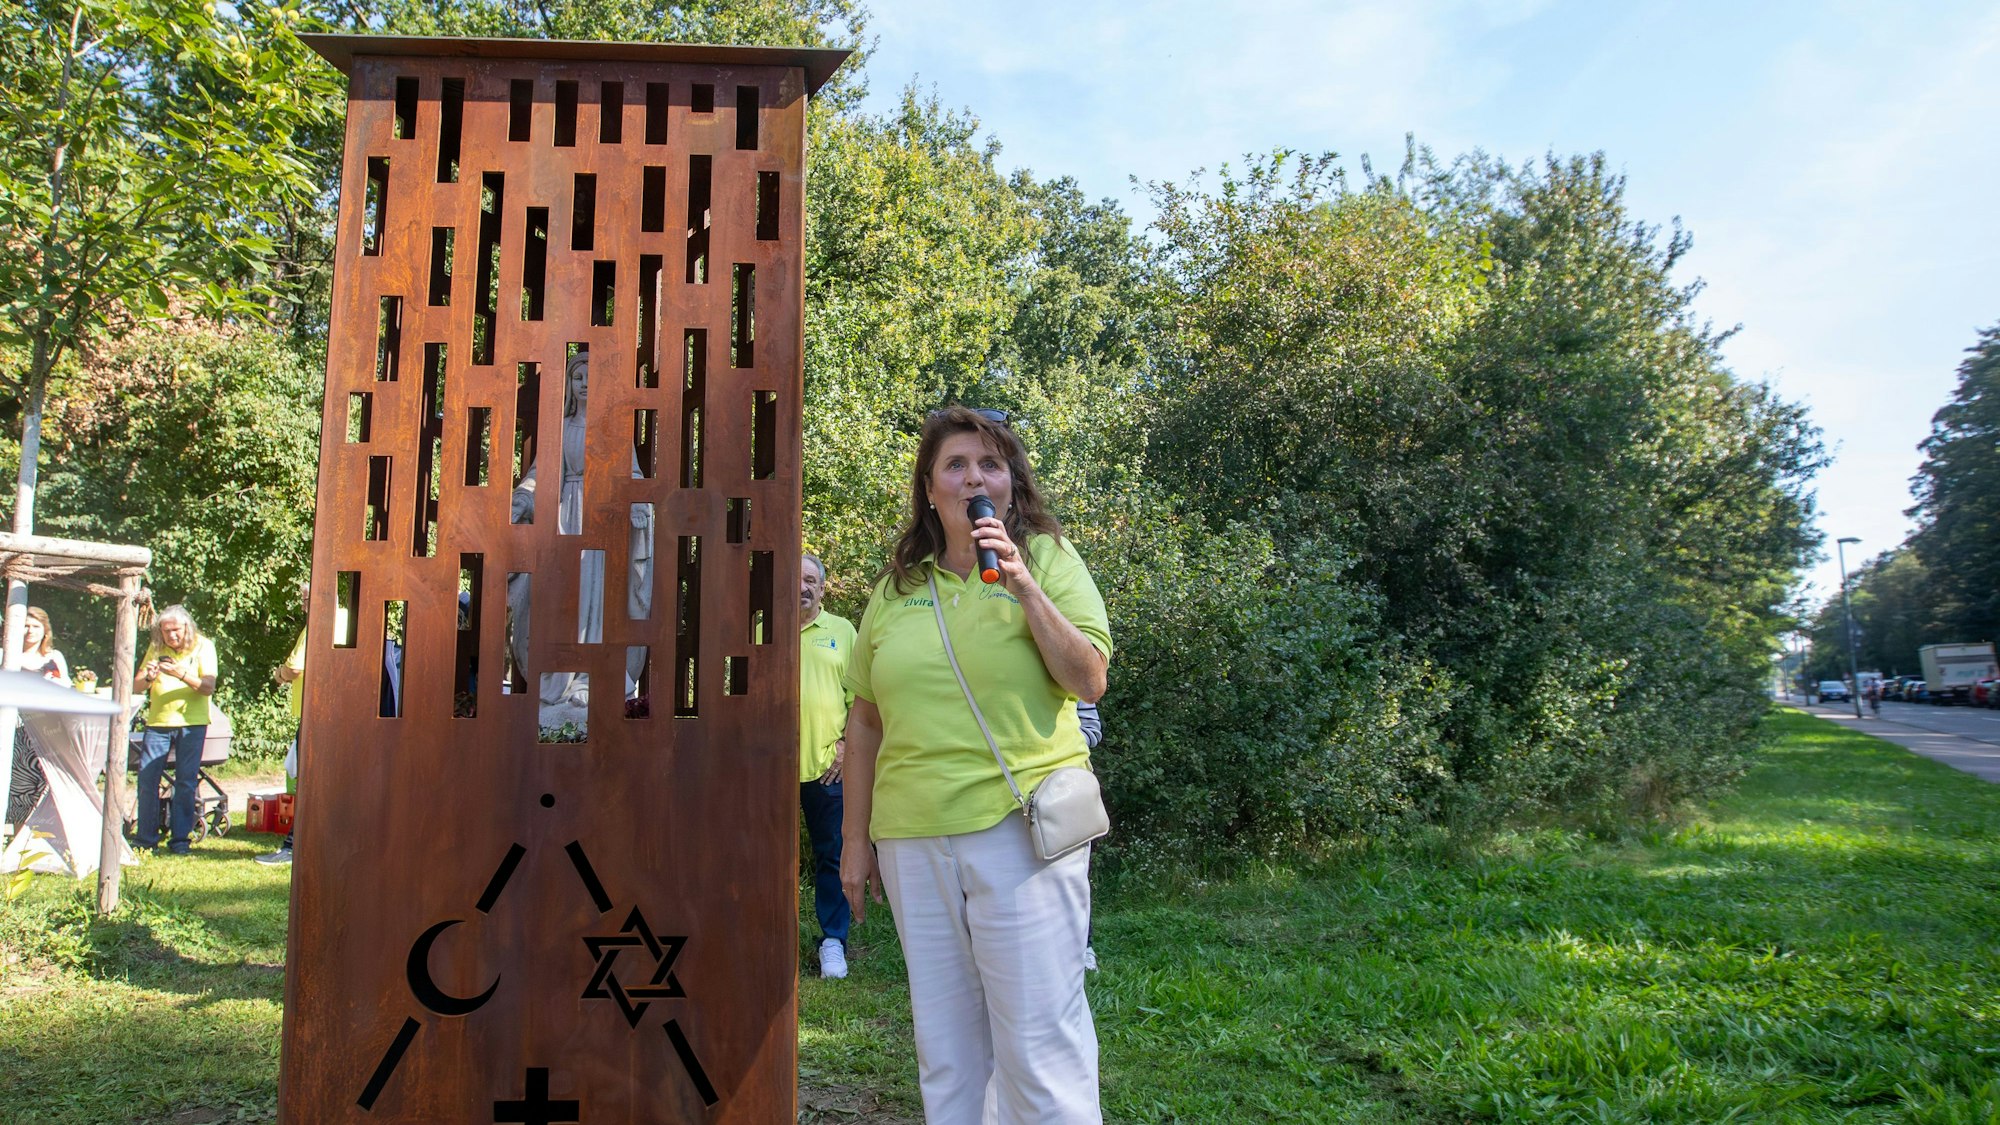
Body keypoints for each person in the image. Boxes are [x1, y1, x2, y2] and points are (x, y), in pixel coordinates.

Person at [841, 405, 1111, 1122]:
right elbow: (864, 720)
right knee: (948, 1045)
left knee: (1036, 1039)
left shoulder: (1048, 558)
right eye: (955, 465)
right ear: (929, 488)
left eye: (989, 464)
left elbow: (1088, 679)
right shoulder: (897, 588)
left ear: (1011, 484)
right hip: (911, 839)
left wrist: (1024, 586)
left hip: (1018, 830)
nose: (972, 477)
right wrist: (852, 844)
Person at [798, 551, 856, 979]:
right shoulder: (763, 631)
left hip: (827, 767)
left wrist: (844, 748)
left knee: (831, 856)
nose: (802, 587)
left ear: (822, 587)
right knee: (763, 856)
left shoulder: (842, 631)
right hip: (770, 771)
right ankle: (767, 934)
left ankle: (833, 941)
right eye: (795, 579)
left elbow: (863, 698)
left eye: (810, 580)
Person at [133, 605, 219, 854]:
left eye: (175, 631)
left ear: (187, 627)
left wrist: (181, 674)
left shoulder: (204, 646)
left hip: (192, 723)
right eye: (166, 631)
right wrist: (149, 677)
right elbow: (136, 686)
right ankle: (146, 839)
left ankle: (180, 840)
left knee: (186, 781)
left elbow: (208, 687)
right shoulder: (158, 647)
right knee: (147, 780)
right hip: (158, 722)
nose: (171, 636)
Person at [259, 581, 311, 865]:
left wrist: (279, 674)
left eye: (306, 599)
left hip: (315, 717)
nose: (303, 605)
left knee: (306, 781)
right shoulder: (345, 620)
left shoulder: (316, 624)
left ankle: (294, 846)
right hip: (331, 716)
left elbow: (294, 668)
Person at [6, 607, 71, 827]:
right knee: (17, 788)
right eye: (25, 625)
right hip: (14, 730)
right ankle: (17, 845)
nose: (29, 631)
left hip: (47, 732)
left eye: (35, 626)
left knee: (45, 786)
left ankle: (42, 843)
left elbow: (67, 690)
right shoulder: (6, 657)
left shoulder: (54, 658)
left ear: (45, 630)